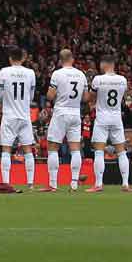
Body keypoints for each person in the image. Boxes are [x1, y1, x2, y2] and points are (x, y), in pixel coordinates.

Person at [41, 49, 86, 193]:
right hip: (75, 113)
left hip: (61, 112)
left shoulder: (57, 74)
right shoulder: (81, 74)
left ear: (60, 60)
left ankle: (53, 184)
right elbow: (85, 98)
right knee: (75, 148)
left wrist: (55, 94)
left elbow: (49, 95)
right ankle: (73, 183)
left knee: (53, 147)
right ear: (72, 59)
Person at [87, 54, 130, 192]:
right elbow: (123, 96)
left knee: (99, 151)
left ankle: (99, 184)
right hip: (116, 117)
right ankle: (125, 183)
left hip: (102, 118)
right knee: (121, 151)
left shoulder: (98, 79)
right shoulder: (122, 80)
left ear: (104, 64)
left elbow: (91, 98)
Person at [0, 47, 37, 188]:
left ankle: (6, 183)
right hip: (24, 116)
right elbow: (31, 97)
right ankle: (30, 183)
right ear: (23, 58)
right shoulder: (30, 73)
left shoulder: (4, 72)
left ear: (10, 59)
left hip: (9, 116)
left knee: (6, 149)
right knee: (28, 150)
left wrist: (7, 98)